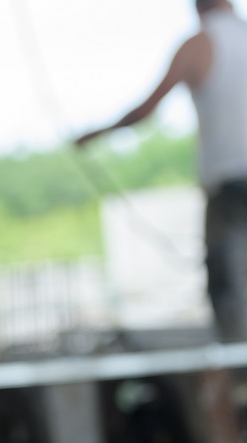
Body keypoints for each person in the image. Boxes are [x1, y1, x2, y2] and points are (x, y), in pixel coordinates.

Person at [75, 0, 247, 341]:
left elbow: (146, 110)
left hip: (229, 185)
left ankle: (239, 364)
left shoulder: (199, 45)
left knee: (228, 286)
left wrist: (98, 133)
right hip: (230, 186)